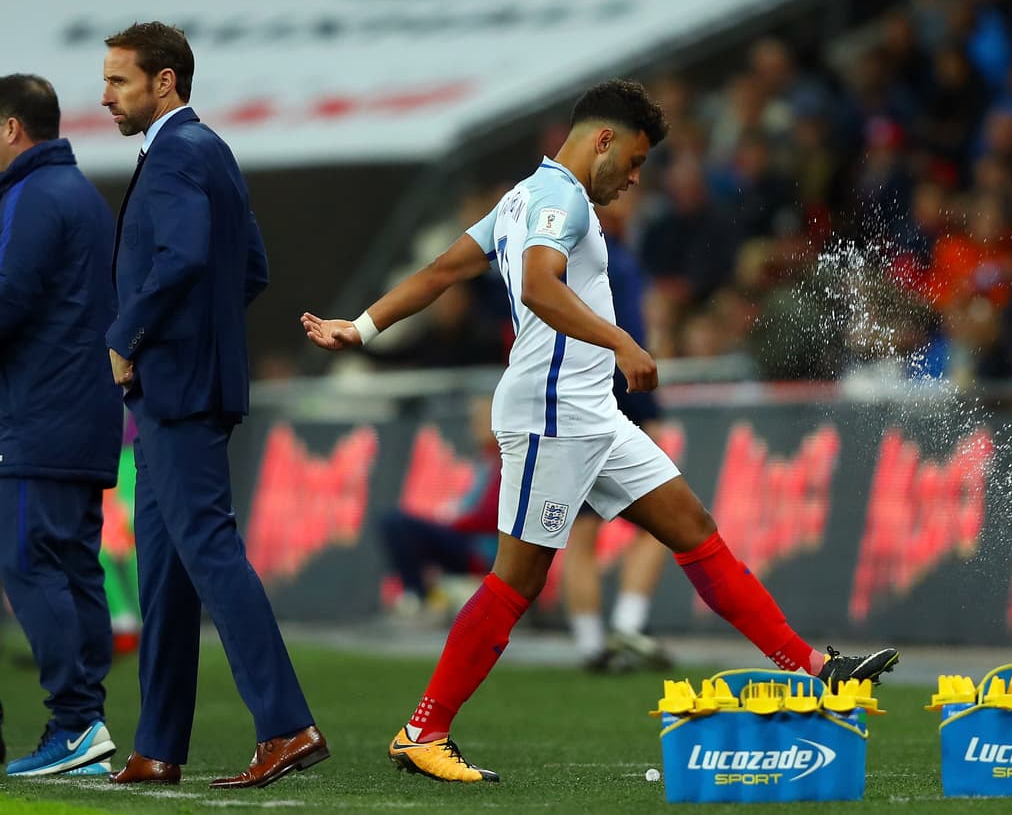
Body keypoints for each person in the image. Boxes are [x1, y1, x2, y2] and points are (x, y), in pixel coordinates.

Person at [302, 79, 899, 784]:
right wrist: (621, 342)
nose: (636, 178)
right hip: (552, 414)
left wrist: (362, 326)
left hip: (592, 413)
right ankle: (423, 730)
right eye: (636, 161)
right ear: (604, 140)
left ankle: (815, 670)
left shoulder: (522, 197)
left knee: (692, 527)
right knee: (516, 581)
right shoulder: (560, 200)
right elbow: (538, 285)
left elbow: (440, 272)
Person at [99, 22, 327, 788]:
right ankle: (158, 744)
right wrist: (204, 339)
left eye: (119, 81)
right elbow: (249, 268)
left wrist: (131, 336)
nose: (107, 96)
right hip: (187, 384)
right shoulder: (210, 150)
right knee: (165, 570)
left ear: (164, 81)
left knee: (209, 549)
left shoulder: (175, 153)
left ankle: (286, 725)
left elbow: (185, 256)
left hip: (176, 389)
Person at [0, 73, 121, 778]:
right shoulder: (80, 193)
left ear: (11, 128)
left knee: (28, 561)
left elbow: (8, 300)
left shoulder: (32, 195)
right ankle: (85, 725)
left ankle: (75, 722)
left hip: (38, 415)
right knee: (73, 566)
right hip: (84, 411)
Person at [562, 191, 672, 672]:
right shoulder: (615, 263)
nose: (630, 197)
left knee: (582, 532)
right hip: (614, 406)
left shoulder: (558, 261)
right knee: (665, 521)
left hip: (567, 408)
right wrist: (649, 408)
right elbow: (627, 339)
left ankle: (591, 645)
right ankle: (628, 624)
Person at [382, 396, 500, 621]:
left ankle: (418, 595)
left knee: (396, 523)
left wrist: (454, 520)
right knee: (395, 523)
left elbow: (491, 516)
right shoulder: (484, 461)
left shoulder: (505, 462)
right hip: (466, 538)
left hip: (481, 549)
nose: (476, 427)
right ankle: (417, 594)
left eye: (483, 420)